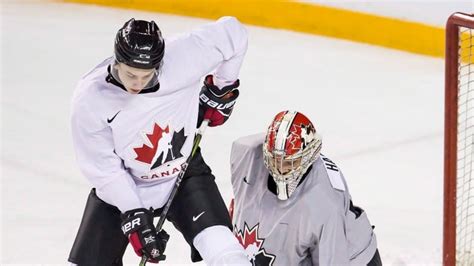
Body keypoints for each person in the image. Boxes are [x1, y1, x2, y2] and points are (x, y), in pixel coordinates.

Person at [68, 17, 250, 266]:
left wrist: (222, 88)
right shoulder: (91, 97)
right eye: (131, 75)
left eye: (147, 75)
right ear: (117, 61)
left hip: (184, 173)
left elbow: (234, 33)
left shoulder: (183, 57)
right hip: (126, 183)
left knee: (228, 255)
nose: (138, 84)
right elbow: (103, 168)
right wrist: (133, 213)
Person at [229, 110, 382, 265]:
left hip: (351, 258)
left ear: (308, 156)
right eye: (275, 160)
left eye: (289, 163)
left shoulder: (325, 202)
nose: (281, 170)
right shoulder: (246, 153)